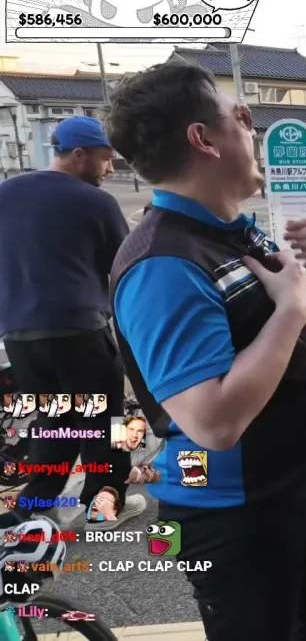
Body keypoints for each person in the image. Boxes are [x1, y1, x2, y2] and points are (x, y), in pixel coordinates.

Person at [105, 62, 306, 640]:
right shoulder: (164, 263)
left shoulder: (229, 231)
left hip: (290, 486)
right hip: (232, 515)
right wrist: (292, 305)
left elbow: (283, 328)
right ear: (203, 138)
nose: (251, 127)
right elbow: (213, 423)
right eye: (240, 115)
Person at [0, 116, 142, 531]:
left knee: (54, 422)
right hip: (79, 332)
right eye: (104, 159)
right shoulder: (95, 201)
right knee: (104, 422)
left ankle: (36, 509)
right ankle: (103, 508)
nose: (109, 168)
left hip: (21, 336)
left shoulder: (6, 193)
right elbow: (122, 270)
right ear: (79, 155)